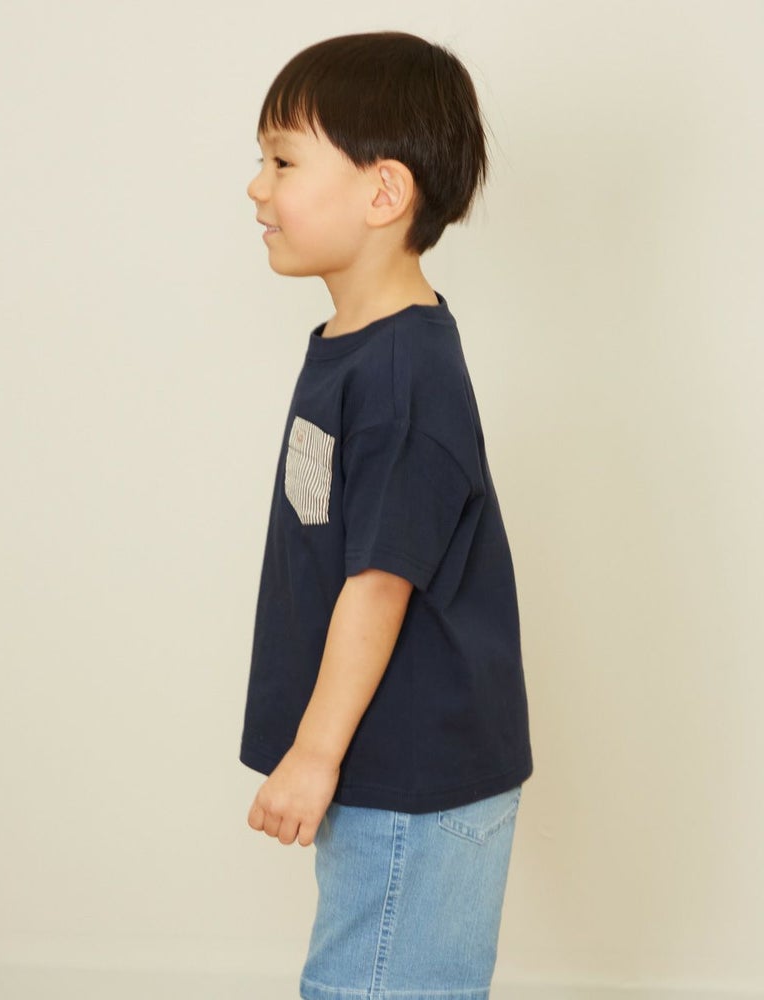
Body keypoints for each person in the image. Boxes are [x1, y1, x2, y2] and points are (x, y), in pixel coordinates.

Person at [239, 31, 533, 1000]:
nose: (256, 188)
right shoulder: (353, 346)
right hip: (388, 763)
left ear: (382, 192)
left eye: (283, 161)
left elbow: (379, 580)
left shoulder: (404, 374)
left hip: (415, 772)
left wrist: (313, 753)